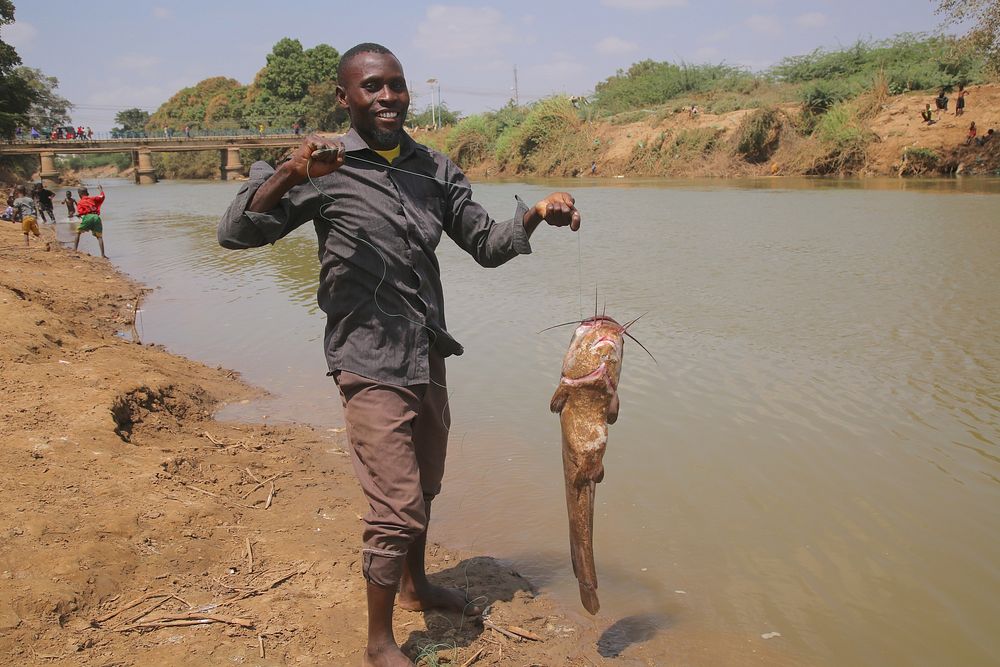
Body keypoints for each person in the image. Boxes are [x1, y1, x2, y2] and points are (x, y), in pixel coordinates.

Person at [218, 42, 581, 667]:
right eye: (372, 87)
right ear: (345, 98)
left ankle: (415, 587)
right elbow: (234, 234)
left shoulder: (434, 169)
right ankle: (379, 643)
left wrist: (539, 215)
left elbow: (487, 245)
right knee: (397, 506)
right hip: (366, 356)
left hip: (426, 352)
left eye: (397, 85)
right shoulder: (322, 168)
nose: (388, 97)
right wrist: (288, 174)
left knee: (426, 485)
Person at [74, 185, 107, 258]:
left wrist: (79, 215)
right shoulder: (93, 198)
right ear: (87, 193)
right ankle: (103, 255)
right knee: (99, 237)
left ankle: (74, 251)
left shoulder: (80, 202)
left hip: (88, 217)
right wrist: (100, 189)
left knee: (78, 232)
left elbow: (80, 212)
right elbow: (102, 197)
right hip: (96, 217)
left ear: (79, 194)